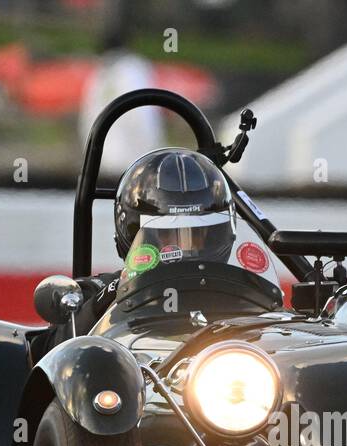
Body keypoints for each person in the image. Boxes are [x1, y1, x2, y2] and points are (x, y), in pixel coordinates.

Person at [29, 147, 236, 360]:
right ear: (136, 233)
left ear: (216, 235)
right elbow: (47, 354)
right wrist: (107, 298)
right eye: (169, 236)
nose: (184, 249)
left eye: (196, 234)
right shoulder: (98, 295)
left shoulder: (241, 295)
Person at [78, 18, 163, 176]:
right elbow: (143, 119)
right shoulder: (132, 70)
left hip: (101, 165)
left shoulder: (99, 73)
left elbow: (86, 120)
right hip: (131, 166)